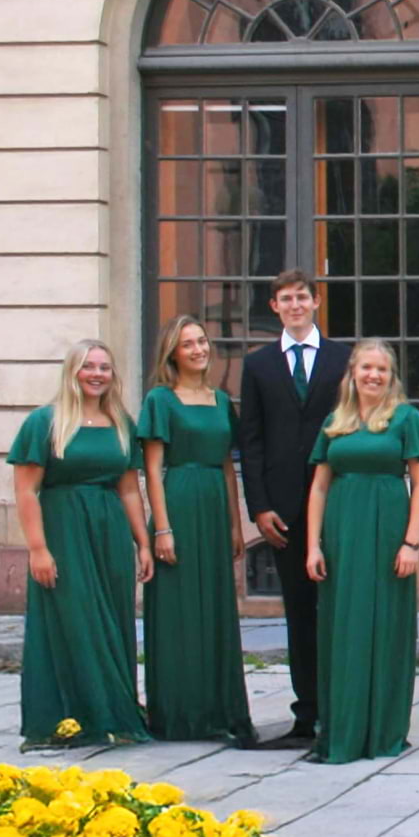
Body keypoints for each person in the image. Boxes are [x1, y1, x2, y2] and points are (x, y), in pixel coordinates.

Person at [9, 340, 152, 749]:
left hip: (109, 532)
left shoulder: (121, 423)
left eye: (104, 367)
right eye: (88, 366)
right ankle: (60, 718)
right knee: (68, 618)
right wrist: (38, 548)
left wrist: (142, 542)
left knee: (111, 620)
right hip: (63, 530)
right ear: (72, 371)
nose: (96, 374)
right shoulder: (45, 423)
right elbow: (25, 491)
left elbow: (128, 489)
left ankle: (112, 713)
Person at [302, 340, 419, 764]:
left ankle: (382, 728)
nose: (373, 375)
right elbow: (320, 486)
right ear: (353, 373)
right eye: (366, 368)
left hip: (388, 532)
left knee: (386, 625)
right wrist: (313, 545)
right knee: (343, 628)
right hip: (343, 534)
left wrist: (411, 542)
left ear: (390, 375)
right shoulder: (335, 420)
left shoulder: (405, 418)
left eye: (381, 369)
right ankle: (343, 726)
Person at [235, 270, 350, 745]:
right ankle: (306, 715)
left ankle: (344, 707)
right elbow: (252, 440)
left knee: (341, 609)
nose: (296, 305)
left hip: (341, 502)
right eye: (287, 299)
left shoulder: (345, 358)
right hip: (283, 509)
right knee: (300, 613)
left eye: (303, 296)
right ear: (275, 306)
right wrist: (258, 507)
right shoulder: (259, 365)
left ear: (317, 302)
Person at [136, 317, 256, 746]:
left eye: (202, 341)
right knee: (179, 612)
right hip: (180, 500)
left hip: (213, 504)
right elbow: (152, 469)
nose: (198, 349)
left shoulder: (222, 400)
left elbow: (227, 464)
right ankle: (178, 714)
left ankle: (217, 711)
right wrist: (162, 529)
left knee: (216, 609)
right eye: (187, 344)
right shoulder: (160, 400)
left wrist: (236, 523)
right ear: (172, 353)